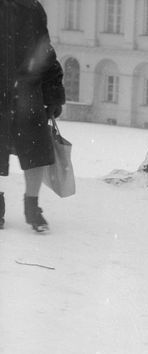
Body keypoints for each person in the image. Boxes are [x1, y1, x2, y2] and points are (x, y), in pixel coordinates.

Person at [0, 0, 66, 232]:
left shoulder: (32, 7)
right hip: (15, 91)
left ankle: (32, 206)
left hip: (26, 93)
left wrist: (54, 94)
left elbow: (44, 51)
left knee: (36, 153)